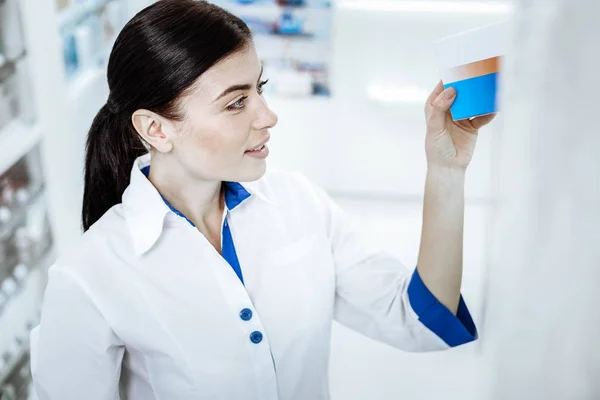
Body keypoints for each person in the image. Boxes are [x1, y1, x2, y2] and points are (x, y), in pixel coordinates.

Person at [29, 1, 495, 399]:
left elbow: (420, 320)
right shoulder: (90, 276)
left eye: (260, 89)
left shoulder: (297, 204)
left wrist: (447, 171)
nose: (268, 116)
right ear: (155, 129)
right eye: (236, 103)